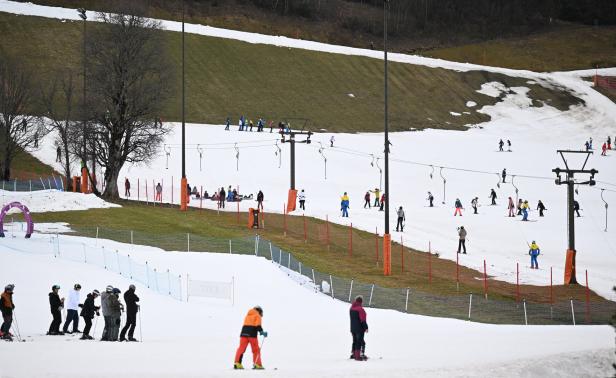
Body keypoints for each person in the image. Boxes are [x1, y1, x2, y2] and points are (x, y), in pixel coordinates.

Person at [349, 295, 368, 361]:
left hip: (352, 328)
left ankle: (354, 355)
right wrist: (366, 327)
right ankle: (357, 356)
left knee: (354, 341)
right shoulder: (360, 309)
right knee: (359, 342)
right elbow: (363, 320)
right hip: (359, 329)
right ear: (361, 301)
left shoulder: (351, 308)